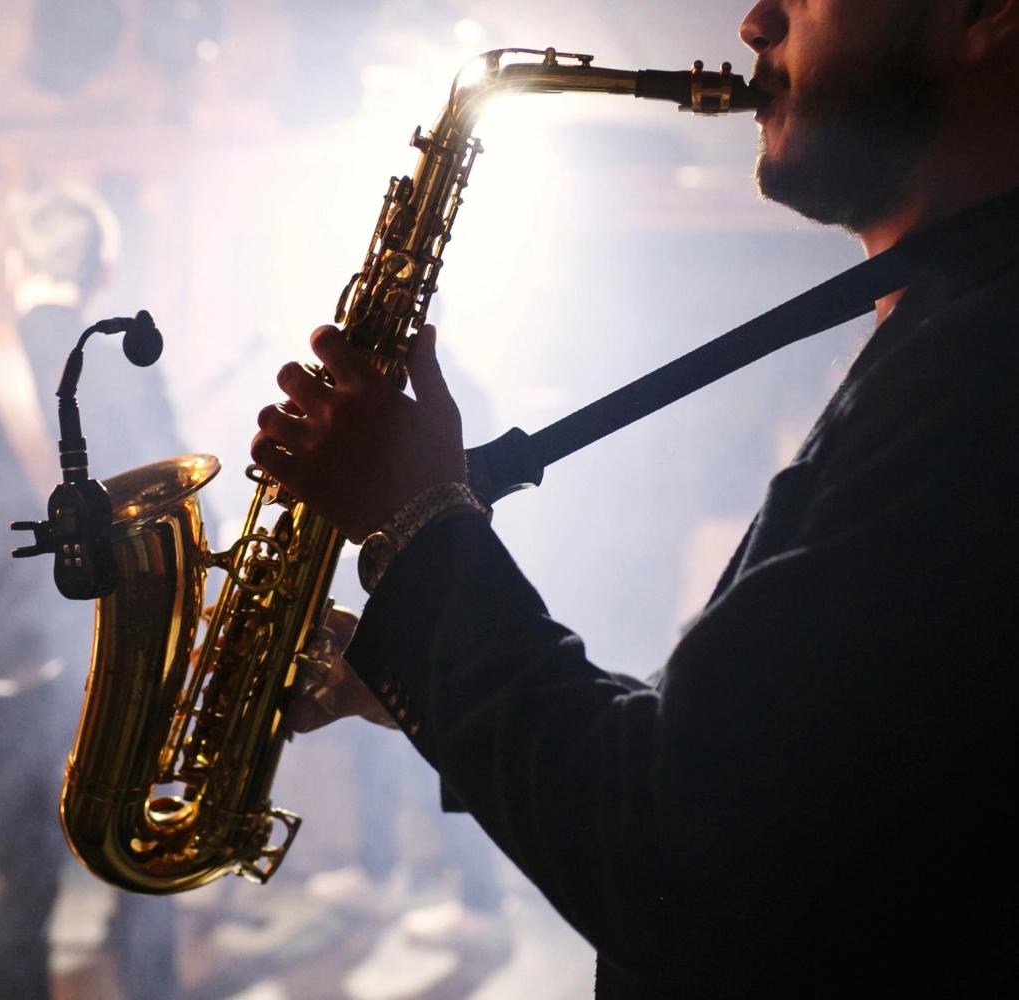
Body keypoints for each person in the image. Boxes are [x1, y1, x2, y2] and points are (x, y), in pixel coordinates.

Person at [253, 1, 1019, 996]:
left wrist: (418, 534)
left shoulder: (985, 356)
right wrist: (407, 675)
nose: (756, 21)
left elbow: (683, 852)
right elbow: (773, 780)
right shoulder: (956, 326)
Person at [0, 184, 182, 1000]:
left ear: (13, 263)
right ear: (103, 271)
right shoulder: (126, 368)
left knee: (20, 865)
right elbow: (170, 512)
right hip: (110, 646)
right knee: (137, 852)